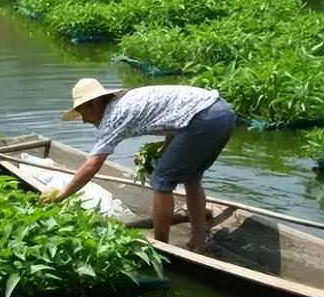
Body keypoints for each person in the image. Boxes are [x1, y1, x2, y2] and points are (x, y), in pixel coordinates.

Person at [40, 78, 236, 253]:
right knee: (192, 178)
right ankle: (197, 242)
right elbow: (176, 120)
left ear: (92, 104)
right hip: (223, 113)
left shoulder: (113, 117)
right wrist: (165, 149)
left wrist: (62, 194)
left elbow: (92, 166)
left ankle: (161, 248)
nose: (83, 121)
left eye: (83, 113)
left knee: (161, 179)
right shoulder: (127, 102)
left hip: (204, 119)